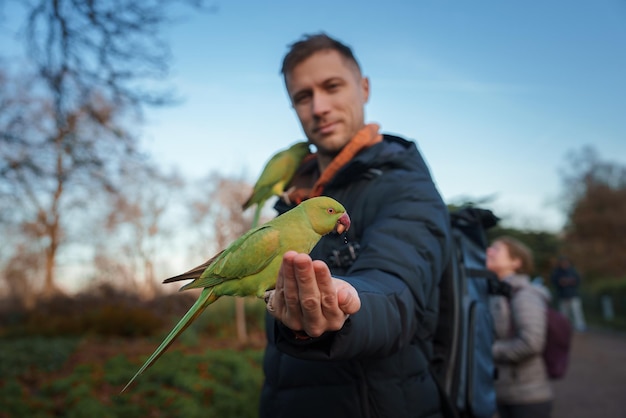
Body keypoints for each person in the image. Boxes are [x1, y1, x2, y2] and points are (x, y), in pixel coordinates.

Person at [259, 33, 452, 418]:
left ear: (363, 88)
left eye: (332, 86)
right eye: (302, 96)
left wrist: (349, 299)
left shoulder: (405, 185)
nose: (319, 107)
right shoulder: (295, 198)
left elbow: (397, 288)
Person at [486, 236, 553, 418]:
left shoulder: (524, 295)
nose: (488, 251)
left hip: (527, 398)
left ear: (516, 262)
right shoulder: (496, 291)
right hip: (504, 393)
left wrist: (486, 351)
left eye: (496, 249)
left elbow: (531, 343)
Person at [550, 256, 587, 332]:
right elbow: (554, 281)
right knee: (564, 314)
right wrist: (560, 282)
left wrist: (571, 281)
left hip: (573, 295)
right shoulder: (557, 272)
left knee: (576, 312)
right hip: (563, 296)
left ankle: (579, 325)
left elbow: (578, 280)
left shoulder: (572, 271)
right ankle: (565, 327)